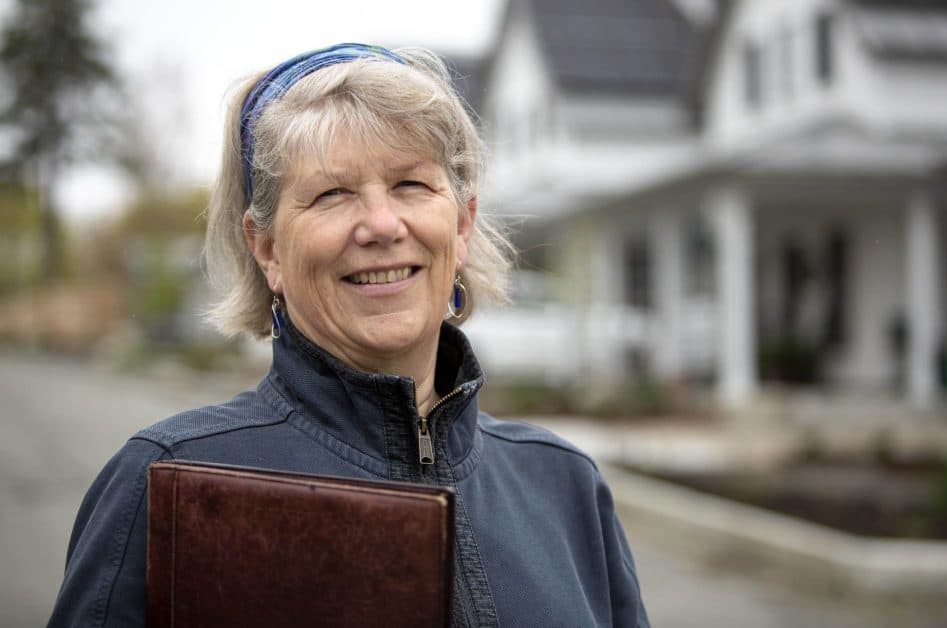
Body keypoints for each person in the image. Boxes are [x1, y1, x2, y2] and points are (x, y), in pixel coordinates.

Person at [48, 43, 648, 627]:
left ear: (462, 223)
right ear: (266, 249)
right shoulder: (168, 484)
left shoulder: (564, 485)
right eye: (332, 194)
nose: (382, 225)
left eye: (411, 185)